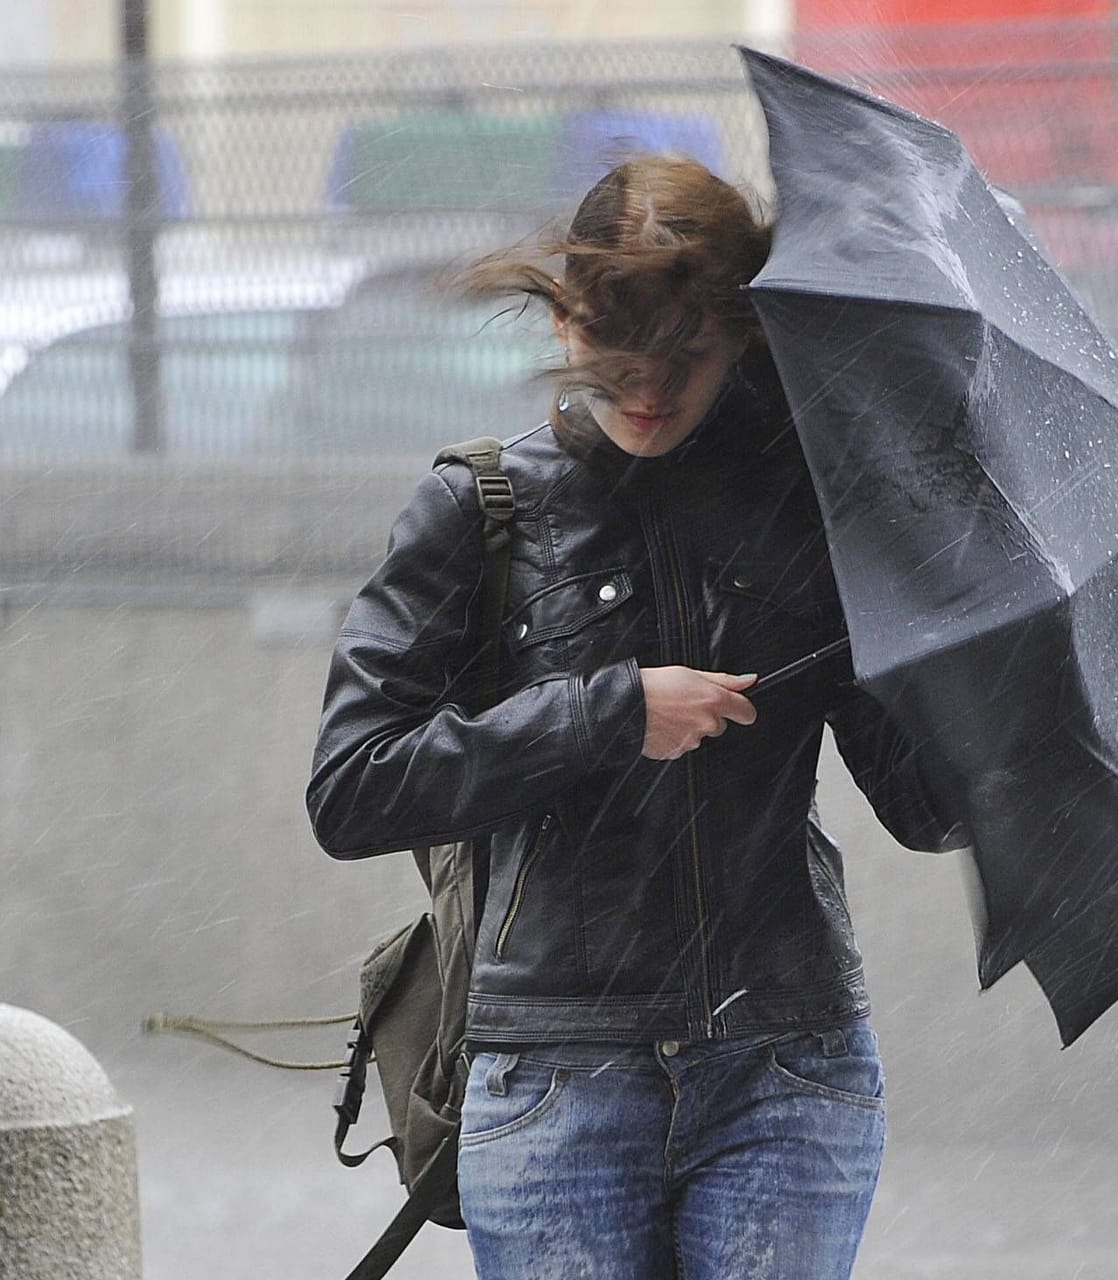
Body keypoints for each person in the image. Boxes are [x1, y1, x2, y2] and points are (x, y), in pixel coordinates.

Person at [306, 154, 963, 1280]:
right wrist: (607, 712)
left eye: (685, 361)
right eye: (620, 362)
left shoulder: (810, 509)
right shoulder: (480, 510)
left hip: (787, 1062)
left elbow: (921, 805)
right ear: (567, 319)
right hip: (558, 1074)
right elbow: (354, 784)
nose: (650, 392)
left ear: (741, 336)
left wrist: (957, 651)